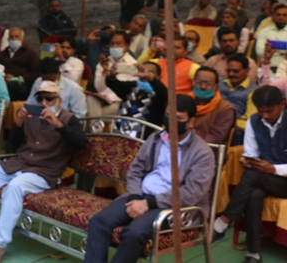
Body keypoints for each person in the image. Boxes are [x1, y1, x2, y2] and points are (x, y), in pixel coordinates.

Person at [0, 82, 87, 263]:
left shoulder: (68, 119)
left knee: (15, 187)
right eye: (40, 98)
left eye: (49, 98)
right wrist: (18, 123)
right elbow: (13, 143)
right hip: (18, 164)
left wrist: (58, 124)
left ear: (59, 100)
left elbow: (80, 143)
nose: (44, 102)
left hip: (43, 172)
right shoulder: (31, 115)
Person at [85, 95, 215, 263]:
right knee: (99, 222)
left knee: (133, 233)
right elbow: (136, 170)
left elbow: (191, 193)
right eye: (168, 116)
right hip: (140, 196)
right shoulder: (156, 139)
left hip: (174, 208)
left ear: (191, 122)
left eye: (178, 119)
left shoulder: (202, 153)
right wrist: (135, 197)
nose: (171, 122)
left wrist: (149, 204)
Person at [212, 86, 287, 263]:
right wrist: (247, 160)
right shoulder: (254, 121)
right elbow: (251, 152)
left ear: (282, 104)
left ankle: (224, 220)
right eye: (261, 111)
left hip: (282, 180)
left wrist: (274, 169)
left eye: (270, 111)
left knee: (252, 176)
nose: (265, 116)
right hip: (266, 179)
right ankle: (254, 253)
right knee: (254, 194)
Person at [87, 31, 139, 118]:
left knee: (90, 115)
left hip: (119, 102)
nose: (114, 47)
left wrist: (110, 98)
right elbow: (99, 88)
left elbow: (129, 92)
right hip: (102, 99)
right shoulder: (104, 62)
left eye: (118, 44)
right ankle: (96, 127)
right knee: (90, 99)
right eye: (112, 43)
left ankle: (95, 126)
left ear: (127, 47)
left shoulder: (133, 65)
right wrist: (105, 71)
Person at [190, 67, 237, 145]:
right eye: (199, 82)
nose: (203, 87)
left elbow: (215, 137)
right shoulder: (185, 101)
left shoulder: (225, 110)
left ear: (216, 87)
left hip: (207, 151)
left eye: (208, 84)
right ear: (193, 83)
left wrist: (191, 148)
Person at [220, 54, 259, 138]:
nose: (231, 74)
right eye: (228, 71)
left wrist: (229, 122)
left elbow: (250, 120)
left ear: (247, 70)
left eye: (235, 71)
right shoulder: (220, 83)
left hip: (234, 128)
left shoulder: (253, 91)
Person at [0, 27, 40, 100]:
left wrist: (18, 79)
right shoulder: (3, 54)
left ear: (22, 40)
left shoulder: (31, 53)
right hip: (4, 82)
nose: (14, 39)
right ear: (8, 39)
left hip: (23, 86)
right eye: (11, 36)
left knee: (11, 85)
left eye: (16, 36)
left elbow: (35, 73)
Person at [255, 3, 287, 72]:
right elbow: (259, 52)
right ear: (273, 15)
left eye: (284, 15)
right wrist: (283, 52)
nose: (281, 17)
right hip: (267, 67)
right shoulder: (264, 31)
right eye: (278, 15)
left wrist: (271, 50)